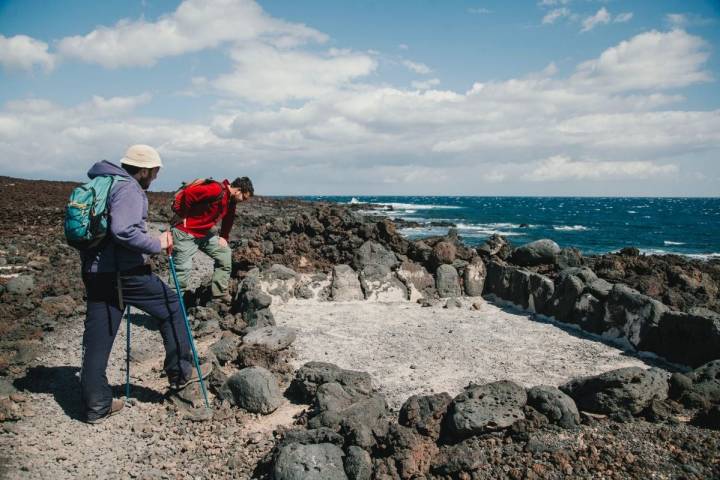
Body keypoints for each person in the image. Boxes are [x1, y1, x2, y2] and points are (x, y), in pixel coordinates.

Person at [79, 144, 211, 424]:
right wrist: (157, 243)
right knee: (172, 307)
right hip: (125, 274)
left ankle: (96, 405)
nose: (154, 177)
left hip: (95, 271)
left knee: (98, 339)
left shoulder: (105, 181)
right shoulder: (129, 189)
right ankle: (181, 378)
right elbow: (123, 230)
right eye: (153, 172)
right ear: (143, 170)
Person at [170, 176, 254, 302]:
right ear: (238, 190)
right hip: (185, 233)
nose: (244, 200)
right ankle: (172, 305)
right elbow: (189, 193)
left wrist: (224, 237)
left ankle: (219, 293)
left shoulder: (231, 200)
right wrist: (183, 215)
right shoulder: (216, 189)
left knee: (224, 253)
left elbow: (228, 219)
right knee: (182, 270)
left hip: (202, 233)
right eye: (244, 197)